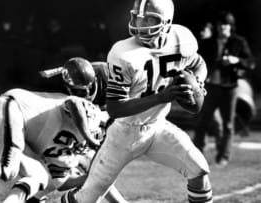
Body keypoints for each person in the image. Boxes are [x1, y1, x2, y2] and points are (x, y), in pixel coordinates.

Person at [61, 0, 213, 203]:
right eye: (137, 17)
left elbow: (198, 63)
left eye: (149, 19)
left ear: (166, 22)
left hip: (157, 127)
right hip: (124, 133)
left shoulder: (181, 38)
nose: (141, 25)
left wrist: (198, 82)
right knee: (86, 198)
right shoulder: (123, 53)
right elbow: (115, 108)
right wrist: (161, 97)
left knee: (199, 170)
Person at [0, 58, 126, 203]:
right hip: (11, 107)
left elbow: (62, 183)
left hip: (10, 117)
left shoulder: (67, 149)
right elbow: (74, 104)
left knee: (39, 176)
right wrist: (91, 140)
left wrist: (94, 177)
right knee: (8, 167)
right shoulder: (86, 112)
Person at [193, 11, 255, 167]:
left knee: (228, 124)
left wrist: (236, 60)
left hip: (229, 88)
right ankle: (196, 154)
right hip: (210, 87)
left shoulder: (238, 42)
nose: (223, 28)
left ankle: (223, 157)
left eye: (226, 25)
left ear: (231, 26)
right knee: (202, 121)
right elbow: (198, 61)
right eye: (220, 25)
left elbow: (251, 62)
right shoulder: (209, 42)